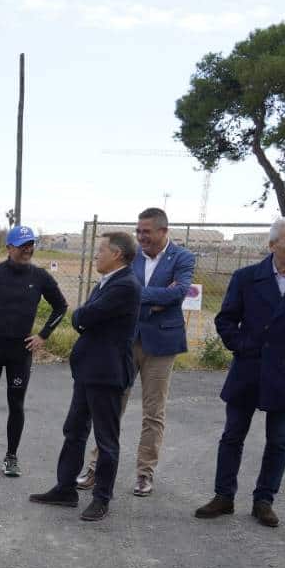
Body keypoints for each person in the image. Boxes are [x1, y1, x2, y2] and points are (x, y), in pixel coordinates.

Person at [195, 217, 285, 528]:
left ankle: (264, 500)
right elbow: (225, 320)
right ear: (272, 244)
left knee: (279, 441)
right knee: (233, 435)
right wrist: (244, 346)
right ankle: (224, 496)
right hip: (250, 369)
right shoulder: (247, 278)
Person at [76, 208, 196, 496]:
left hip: (162, 344)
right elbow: (121, 290)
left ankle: (145, 473)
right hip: (126, 340)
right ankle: (96, 468)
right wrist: (150, 298)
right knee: (111, 406)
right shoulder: (133, 256)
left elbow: (179, 293)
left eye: (147, 232)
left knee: (153, 412)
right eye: (138, 231)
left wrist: (135, 294)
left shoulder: (183, 257)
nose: (141, 237)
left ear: (163, 231)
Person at [29, 232, 141, 522]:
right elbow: (84, 317)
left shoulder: (125, 285)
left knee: (105, 439)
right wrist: (82, 317)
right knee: (75, 430)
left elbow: (84, 317)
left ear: (117, 254)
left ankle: (102, 498)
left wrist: (81, 316)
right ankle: (65, 488)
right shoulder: (108, 282)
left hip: (107, 373)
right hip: (90, 371)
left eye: (101, 250)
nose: (96, 254)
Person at [0, 224, 68, 477]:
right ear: (9, 248)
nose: (28, 249)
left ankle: (11, 457)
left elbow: (60, 307)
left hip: (20, 353)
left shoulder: (40, 277)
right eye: (22, 245)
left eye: (31, 245)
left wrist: (43, 335)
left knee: (16, 405)